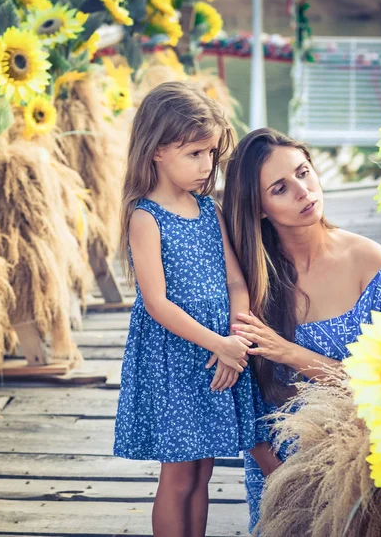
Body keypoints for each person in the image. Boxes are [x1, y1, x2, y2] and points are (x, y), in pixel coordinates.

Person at [113, 82, 275, 537]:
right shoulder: (145, 217)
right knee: (179, 474)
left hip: (218, 351)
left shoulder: (209, 210)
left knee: (203, 473)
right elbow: (157, 303)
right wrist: (218, 345)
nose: (208, 166)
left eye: (212, 154)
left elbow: (235, 280)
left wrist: (237, 338)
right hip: (176, 359)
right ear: (157, 151)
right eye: (196, 154)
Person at [222, 128, 381, 532]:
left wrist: (289, 352)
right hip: (277, 468)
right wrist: (281, 478)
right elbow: (242, 397)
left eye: (304, 173)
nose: (303, 191)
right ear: (260, 208)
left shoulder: (371, 265)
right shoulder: (249, 282)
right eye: (281, 188)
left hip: (364, 464)